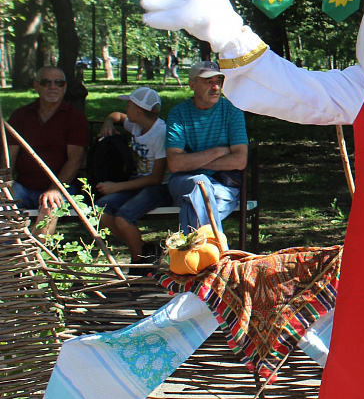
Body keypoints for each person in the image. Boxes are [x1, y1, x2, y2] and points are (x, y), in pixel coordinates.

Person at [166, 61, 247, 237]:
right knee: (199, 183)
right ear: (192, 84)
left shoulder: (232, 111)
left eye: (218, 81)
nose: (216, 87)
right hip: (185, 183)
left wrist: (191, 161)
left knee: (193, 205)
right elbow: (174, 164)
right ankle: (217, 251)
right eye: (208, 81)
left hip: (223, 185)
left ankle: (197, 252)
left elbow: (240, 160)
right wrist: (219, 151)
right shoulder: (178, 114)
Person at [6, 66, 88, 236]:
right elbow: (10, 155)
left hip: (60, 186)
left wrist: (55, 188)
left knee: (50, 204)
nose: (53, 87)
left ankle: (36, 256)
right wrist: (4, 185)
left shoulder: (75, 118)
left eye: (58, 83)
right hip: (23, 185)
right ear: (36, 86)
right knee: (3, 203)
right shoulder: (20, 115)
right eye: (46, 82)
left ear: (64, 87)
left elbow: (75, 161)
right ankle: (9, 253)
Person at [96, 87, 170, 263]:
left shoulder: (160, 133)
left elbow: (156, 178)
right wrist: (108, 122)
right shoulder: (135, 124)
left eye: (128, 105)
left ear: (138, 110)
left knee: (123, 218)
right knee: (100, 211)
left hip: (160, 187)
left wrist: (116, 187)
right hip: (139, 183)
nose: (125, 109)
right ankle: (146, 250)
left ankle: (139, 265)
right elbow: (117, 116)